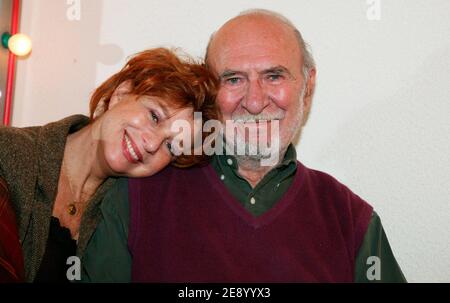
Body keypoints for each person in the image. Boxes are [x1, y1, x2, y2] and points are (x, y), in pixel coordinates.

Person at [84, 9, 406, 282]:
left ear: (307, 89)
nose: (254, 102)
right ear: (210, 93)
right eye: (234, 79)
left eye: (274, 76)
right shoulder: (135, 195)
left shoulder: (351, 221)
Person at [0, 47, 218, 282]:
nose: (153, 143)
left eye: (171, 146)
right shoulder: (9, 153)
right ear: (121, 94)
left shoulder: (122, 215)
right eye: (155, 116)